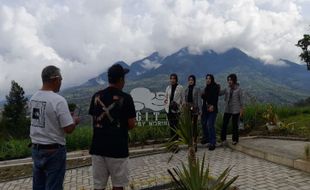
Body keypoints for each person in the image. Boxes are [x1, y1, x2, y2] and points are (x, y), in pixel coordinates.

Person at [29, 65, 80, 190]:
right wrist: (74, 121)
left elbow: (45, 121)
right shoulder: (58, 100)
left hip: (36, 149)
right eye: (61, 79)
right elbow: (68, 129)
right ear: (55, 79)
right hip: (54, 151)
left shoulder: (33, 98)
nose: (61, 82)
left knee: (38, 187)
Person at [88, 64, 136, 190]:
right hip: (118, 148)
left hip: (97, 147)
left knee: (98, 186)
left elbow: (94, 120)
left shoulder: (96, 96)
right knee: (118, 186)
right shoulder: (126, 98)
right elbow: (132, 124)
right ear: (121, 80)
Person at [220, 73, 243, 145]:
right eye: (228, 80)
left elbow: (241, 100)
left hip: (236, 110)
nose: (229, 81)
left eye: (230, 80)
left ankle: (235, 140)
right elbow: (220, 93)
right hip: (227, 109)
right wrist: (217, 87)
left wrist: (242, 109)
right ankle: (223, 139)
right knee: (224, 124)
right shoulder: (227, 88)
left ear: (234, 80)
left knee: (235, 125)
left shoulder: (239, 89)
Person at [201, 74, 220, 151]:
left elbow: (215, 98)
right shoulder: (206, 88)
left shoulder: (215, 87)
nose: (208, 80)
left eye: (209, 78)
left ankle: (213, 142)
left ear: (212, 79)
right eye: (207, 78)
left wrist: (213, 106)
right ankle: (207, 138)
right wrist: (203, 96)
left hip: (213, 109)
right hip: (206, 109)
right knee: (204, 123)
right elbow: (206, 98)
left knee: (210, 124)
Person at [164, 73, 184, 145]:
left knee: (176, 127)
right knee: (171, 127)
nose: (172, 80)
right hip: (169, 110)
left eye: (174, 78)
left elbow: (183, 99)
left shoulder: (180, 87)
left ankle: (176, 143)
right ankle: (172, 143)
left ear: (176, 79)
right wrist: (166, 105)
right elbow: (165, 97)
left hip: (176, 110)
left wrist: (180, 107)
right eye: (171, 78)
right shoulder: (168, 87)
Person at [184, 75, 201, 152]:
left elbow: (199, 100)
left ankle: (195, 143)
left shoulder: (197, 89)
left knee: (194, 126)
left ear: (194, 81)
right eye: (189, 80)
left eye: (192, 80)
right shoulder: (186, 90)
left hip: (195, 109)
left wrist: (200, 111)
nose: (191, 81)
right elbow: (185, 100)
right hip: (188, 109)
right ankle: (190, 143)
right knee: (189, 127)